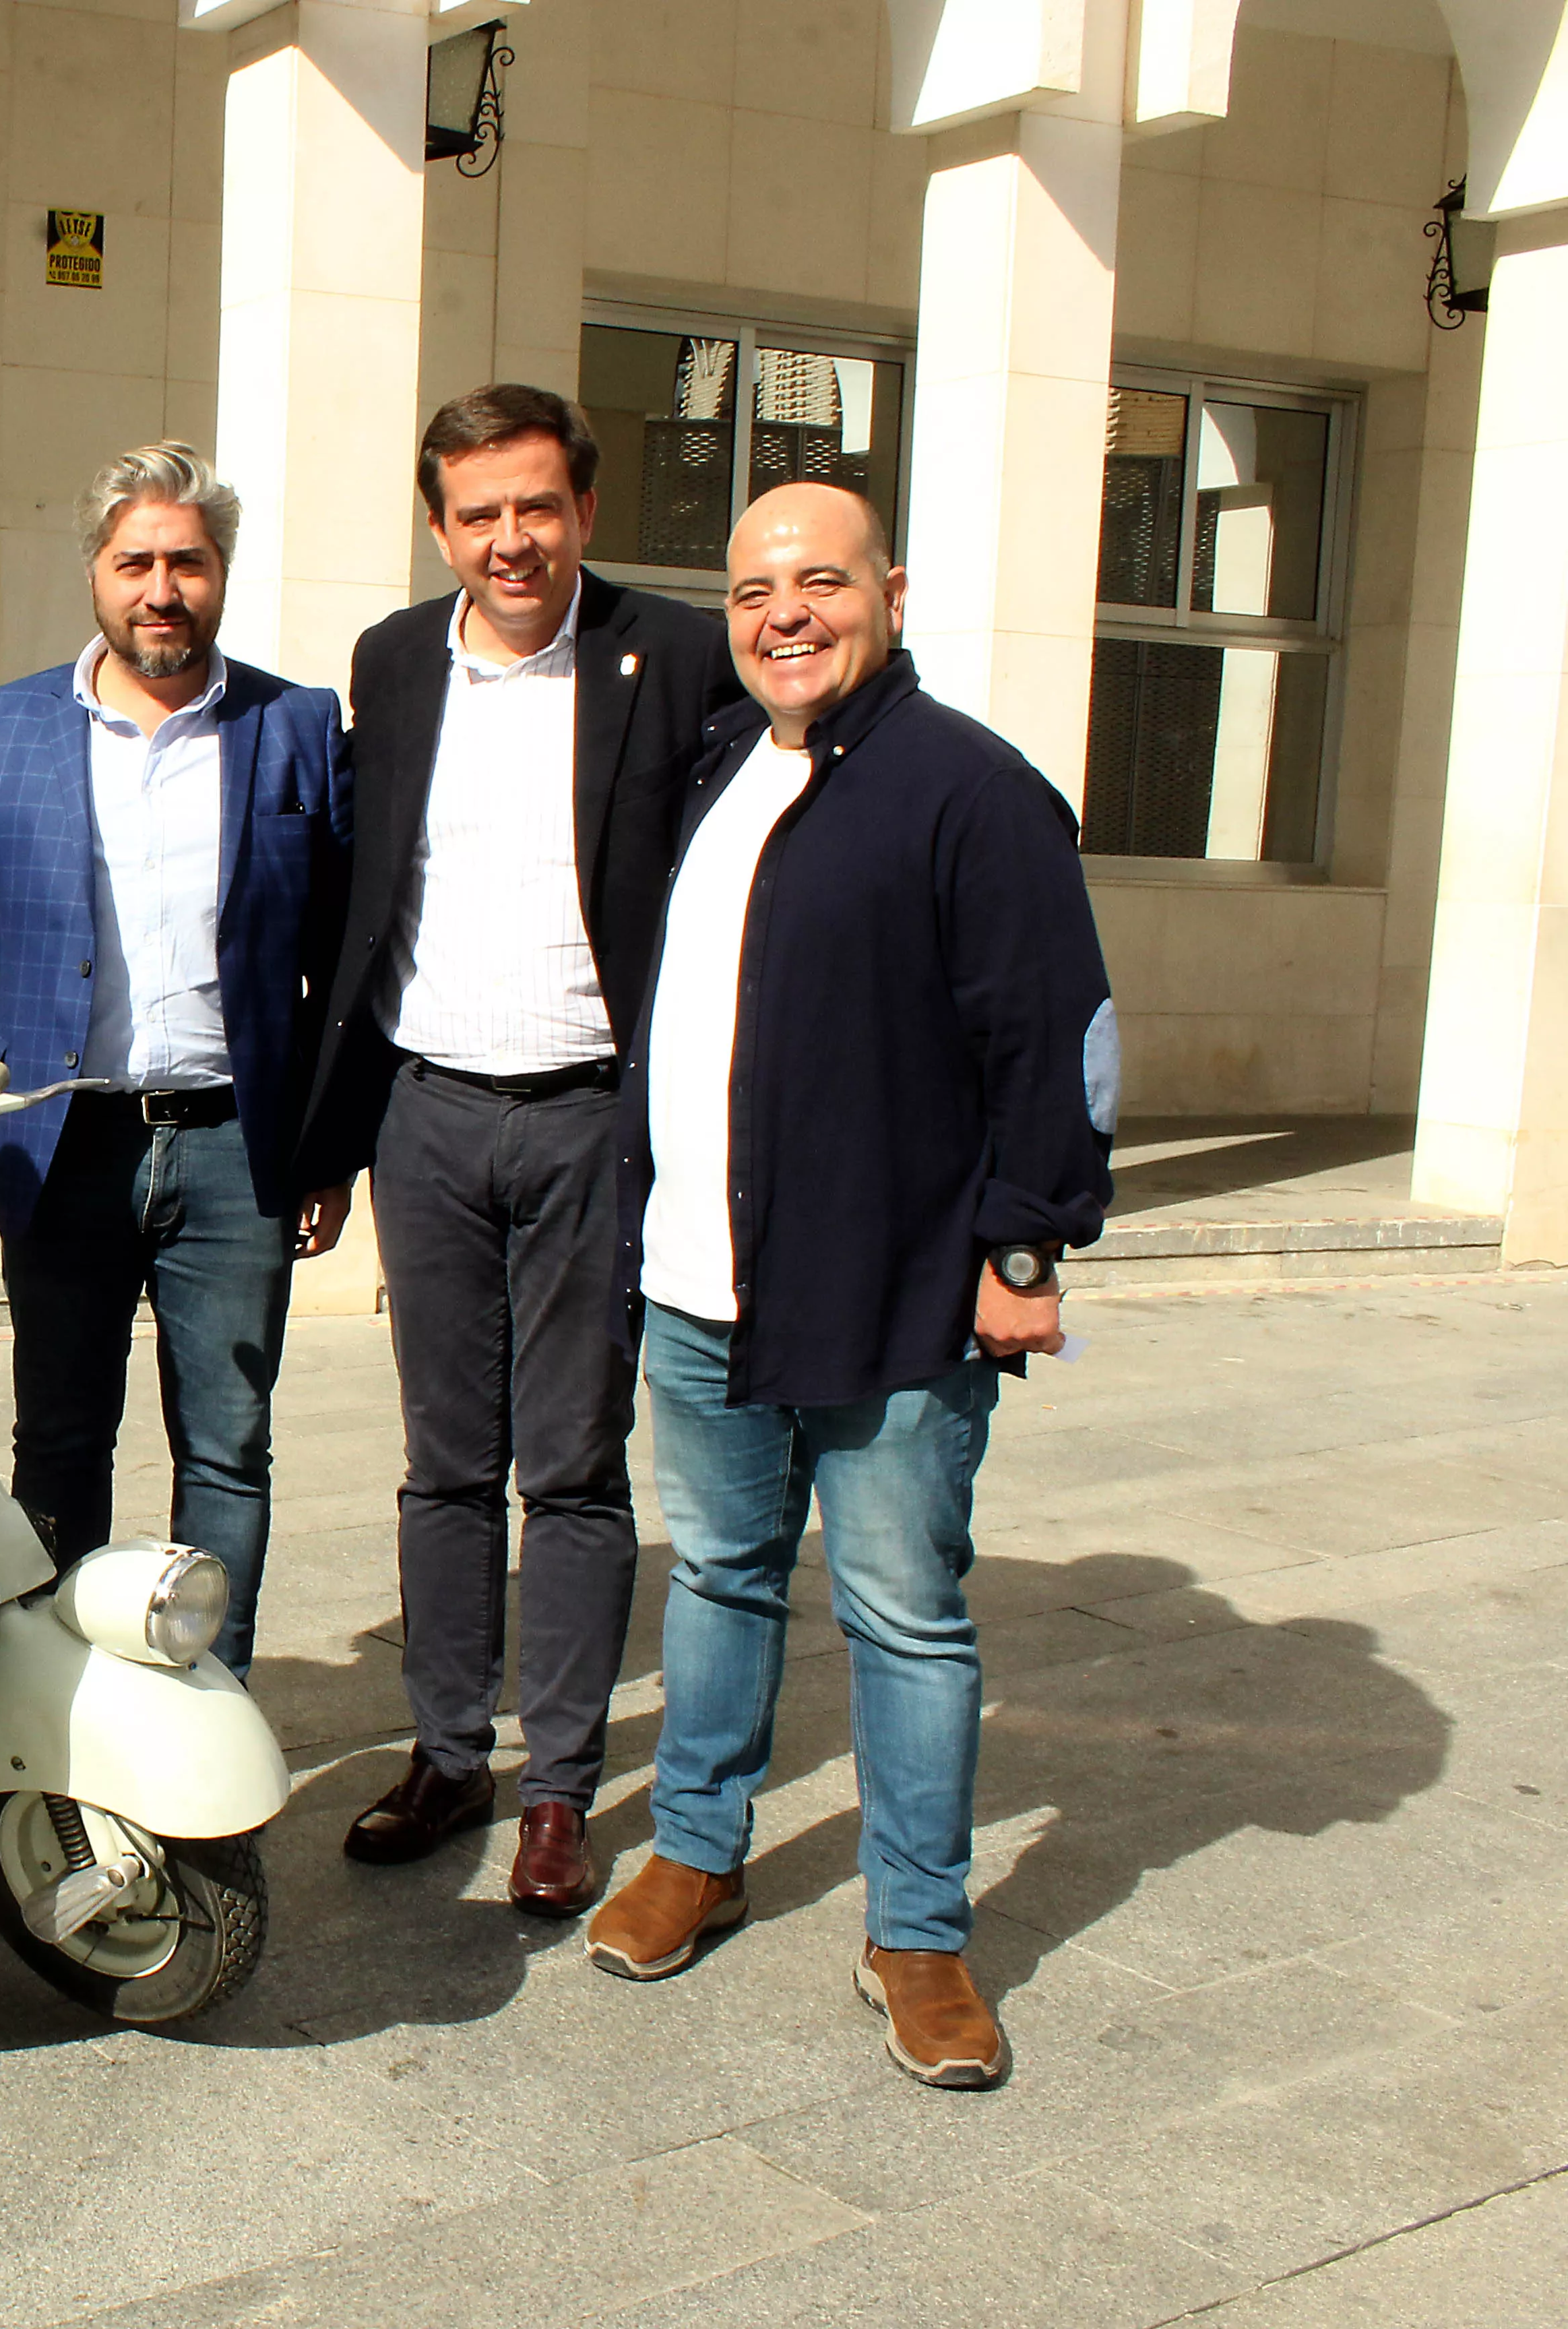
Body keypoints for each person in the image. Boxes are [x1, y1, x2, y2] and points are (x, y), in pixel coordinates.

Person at [581, 482, 1115, 2090]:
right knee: (725, 1579)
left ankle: (922, 1936)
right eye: (754, 590)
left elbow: (1055, 1036)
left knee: (905, 1617)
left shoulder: (973, 789)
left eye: (821, 582)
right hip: (697, 1280)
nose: (785, 615)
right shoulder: (718, 768)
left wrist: (1026, 1251)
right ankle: (698, 1851)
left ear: (891, 589)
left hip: (889, 1292)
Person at [292, 384, 747, 1914]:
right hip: (428, 1111)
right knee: (442, 1465)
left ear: (586, 514)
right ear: (440, 526)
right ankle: (445, 1751)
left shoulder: (672, 654)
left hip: (590, 1117)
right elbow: (365, 901)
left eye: (537, 507)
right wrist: (331, 1138)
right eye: (479, 514)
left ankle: (558, 1785)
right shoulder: (393, 661)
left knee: (572, 1464)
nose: (511, 541)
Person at [0, 443, 352, 1675]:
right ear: (97, 574)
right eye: (136, 562)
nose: (163, 588)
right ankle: (53, 1699)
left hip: (234, 1150)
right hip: (65, 1145)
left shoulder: (298, 728)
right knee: (59, 1442)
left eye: (188, 563)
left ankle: (211, 1693)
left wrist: (330, 1146)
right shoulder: (3, 730)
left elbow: (336, 962)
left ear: (221, 576)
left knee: (226, 1451)